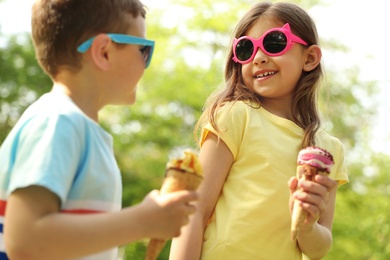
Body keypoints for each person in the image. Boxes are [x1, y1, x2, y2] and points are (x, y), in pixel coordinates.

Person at [0, 0, 198, 259]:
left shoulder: (75, 126)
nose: (146, 62)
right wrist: (142, 221)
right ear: (104, 51)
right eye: (143, 50)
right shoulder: (59, 121)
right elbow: (25, 240)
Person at [169, 2, 349, 259]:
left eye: (274, 43)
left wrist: (307, 225)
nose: (259, 57)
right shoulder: (236, 115)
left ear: (309, 58)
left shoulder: (329, 150)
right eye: (245, 49)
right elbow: (195, 210)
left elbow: (319, 248)